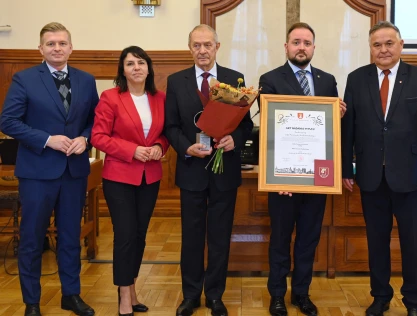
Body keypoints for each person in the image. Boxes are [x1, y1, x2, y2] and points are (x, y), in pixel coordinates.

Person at [341, 21, 417, 316]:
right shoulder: (356, 78)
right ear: (370, 48)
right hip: (371, 178)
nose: (383, 49)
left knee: (413, 245)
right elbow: (349, 128)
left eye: (388, 43)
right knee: (377, 243)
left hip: (412, 179)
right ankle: (380, 296)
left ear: (401, 45)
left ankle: (414, 302)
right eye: (377, 44)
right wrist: (347, 168)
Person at [0, 22, 98, 316]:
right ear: (40, 48)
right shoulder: (24, 79)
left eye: (62, 43)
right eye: (51, 43)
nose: (57, 48)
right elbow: (8, 121)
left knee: (70, 237)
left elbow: (97, 121)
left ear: (71, 47)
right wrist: (46, 140)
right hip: (37, 173)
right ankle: (32, 302)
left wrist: (85, 138)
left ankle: (71, 295)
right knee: (32, 238)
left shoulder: (86, 80)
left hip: (73, 172)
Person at [164, 24, 253, 316]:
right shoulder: (176, 81)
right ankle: (190, 295)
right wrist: (185, 147)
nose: (202, 50)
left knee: (219, 236)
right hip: (191, 170)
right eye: (196, 45)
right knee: (191, 237)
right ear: (190, 48)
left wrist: (233, 139)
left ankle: (215, 295)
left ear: (217, 46)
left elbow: (246, 124)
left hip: (224, 171)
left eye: (207, 45)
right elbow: (171, 126)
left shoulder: (234, 79)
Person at [259, 22, 346, 316]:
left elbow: (330, 132)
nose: (301, 47)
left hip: (317, 178)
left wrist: (339, 115)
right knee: (281, 239)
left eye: (306, 43)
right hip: (283, 178)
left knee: (309, 239)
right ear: (286, 47)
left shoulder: (327, 80)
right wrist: (274, 173)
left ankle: (302, 294)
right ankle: (278, 295)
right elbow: (269, 131)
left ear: (313, 48)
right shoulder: (270, 79)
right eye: (295, 42)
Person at [91, 46, 169, 316]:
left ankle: (132, 288)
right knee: (125, 235)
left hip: (151, 176)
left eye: (140, 62)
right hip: (119, 175)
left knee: (139, 236)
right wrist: (131, 150)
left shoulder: (160, 98)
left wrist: (160, 145)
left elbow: (166, 133)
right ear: (122, 70)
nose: (136, 67)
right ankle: (124, 295)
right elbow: (98, 137)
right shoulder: (111, 97)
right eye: (129, 63)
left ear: (148, 68)